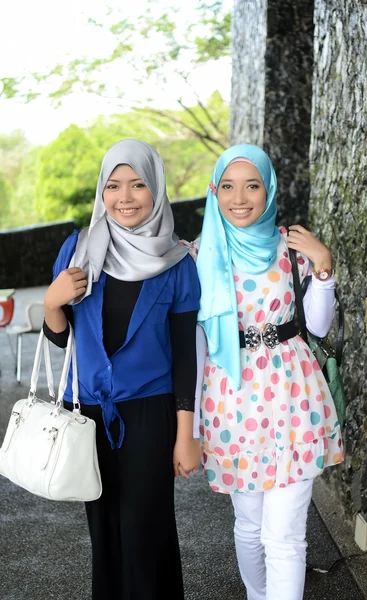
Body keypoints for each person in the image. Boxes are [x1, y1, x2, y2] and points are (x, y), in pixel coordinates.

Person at [42, 139, 202, 600]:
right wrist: (53, 302)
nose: (125, 197)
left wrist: (185, 434)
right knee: (105, 531)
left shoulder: (176, 261)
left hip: (149, 414)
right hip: (87, 413)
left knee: (145, 530)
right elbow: (61, 336)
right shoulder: (78, 250)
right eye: (113, 186)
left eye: (137, 185)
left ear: (156, 189)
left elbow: (185, 357)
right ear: (102, 191)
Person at [188, 143, 344, 600]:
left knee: (286, 536)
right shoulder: (200, 255)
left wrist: (323, 264)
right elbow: (197, 342)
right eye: (229, 187)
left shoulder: (292, 245)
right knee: (250, 527)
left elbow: (316, 324)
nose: (240, 198)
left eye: (252, 185)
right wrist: (191, 420)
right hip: (232, 403)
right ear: (214, 192)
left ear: (268, 188)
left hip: (294, 397)